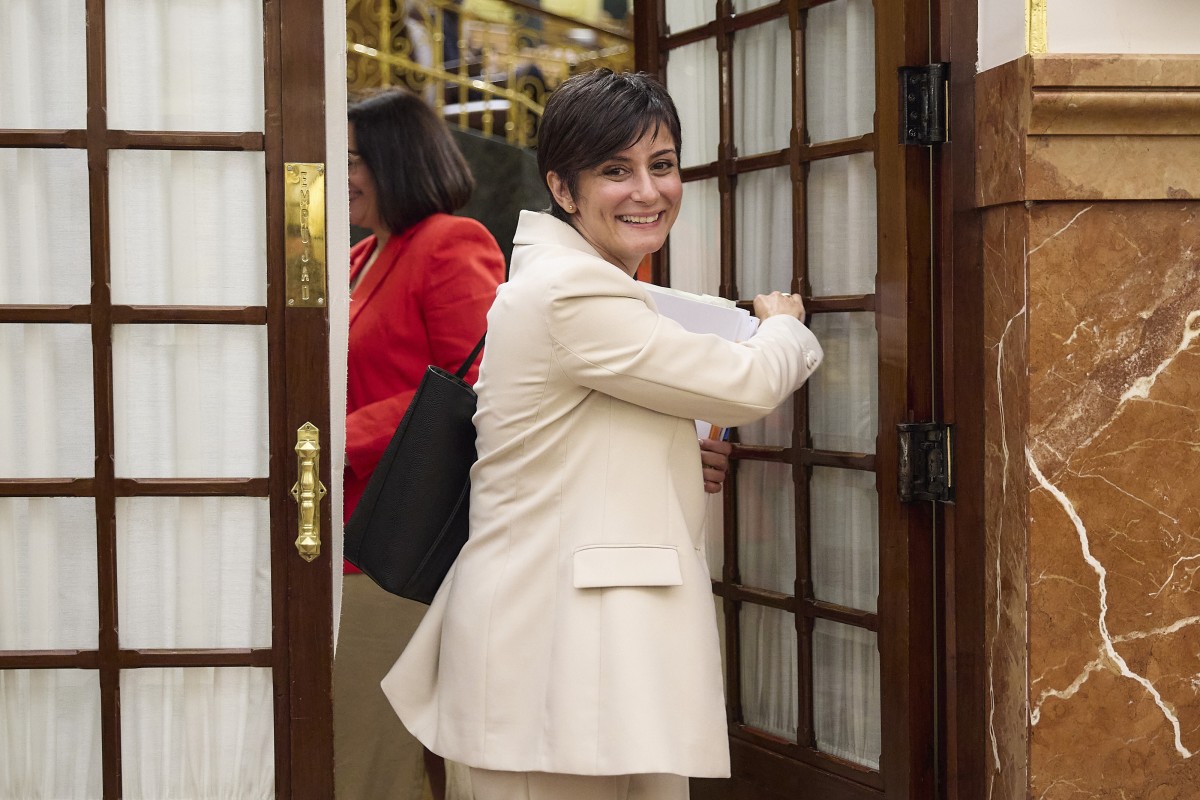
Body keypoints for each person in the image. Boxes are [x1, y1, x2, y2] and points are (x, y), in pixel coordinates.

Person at [381, 69, 823, 800]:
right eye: (615, 171)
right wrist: (784, 328)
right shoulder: (568, 290)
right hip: (549, 659)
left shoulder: (593, 285)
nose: (647, 192)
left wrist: (675, 452)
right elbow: (746, 384)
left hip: (600, 660)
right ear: (562, 188)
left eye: (663, 165)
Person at [337, 86, 506, 800]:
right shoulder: (357, 256)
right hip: (341, 530)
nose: (335, 171)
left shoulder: (449, 242)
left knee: (371, 757)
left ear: (392, 160)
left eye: (349, 157)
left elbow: (481, 381)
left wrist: (339, 434)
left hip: (402, 544)